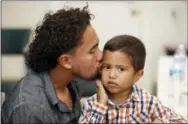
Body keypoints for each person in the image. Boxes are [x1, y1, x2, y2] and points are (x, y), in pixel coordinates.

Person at [1, 6, 102, 124]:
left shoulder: (67, 81)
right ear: (66, 61)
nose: (100, 55)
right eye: (92, 51)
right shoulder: (32, 109)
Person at [79, 35, 187, 123]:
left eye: (121, 69)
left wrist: (161, 121)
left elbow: (180, 120)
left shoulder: (147, 102)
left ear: (137, 75)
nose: (112, 75)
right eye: (107, 67)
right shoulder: (93, 103)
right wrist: (101, 105)